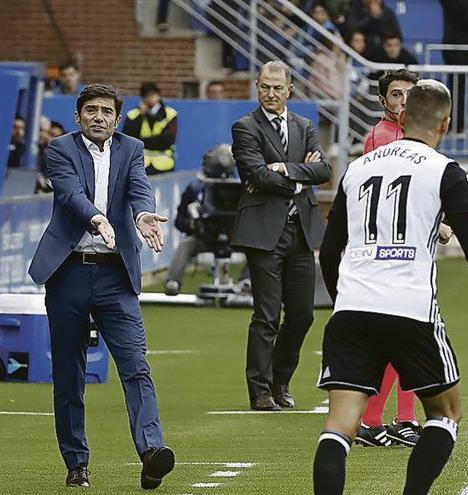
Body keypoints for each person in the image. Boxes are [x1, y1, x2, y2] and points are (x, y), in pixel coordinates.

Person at [314, 79, 468, 495]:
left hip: (352, 308)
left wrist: (344, 300)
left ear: (403, 116)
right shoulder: (446, 171)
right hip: (410, 309)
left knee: (339, 425)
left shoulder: (357, 169)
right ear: (446, 123)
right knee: (446, 413)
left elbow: (329, 252)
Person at [28, 84, 175, 489]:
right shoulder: (60, 149)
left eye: (106, 111)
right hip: (69, 272)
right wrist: (97, 219)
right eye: (90, 110)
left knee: (135, 365)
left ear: (117, 117)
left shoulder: (131, 148)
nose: (98, 116)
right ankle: (76, 462)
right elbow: (71, 194)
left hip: (116, 276)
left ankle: (151, 451)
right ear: (78, 117)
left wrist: (144, 213)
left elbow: (140, 187)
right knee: (69, 374)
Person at [231, 61, 332, 411]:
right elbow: (257, 175)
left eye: (277, 87)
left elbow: (324, 170)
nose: (270, 93)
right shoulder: (245, 127)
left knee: (303, 314)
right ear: (257, 88)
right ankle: (259, 390)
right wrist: (300, 176)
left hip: (301, 231)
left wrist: (288, 170)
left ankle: (280, 379)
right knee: (267, 315)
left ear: (290, 89)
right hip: (263, 233)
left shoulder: (304, 125)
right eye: (264, 87)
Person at [357, 68, 431, 448]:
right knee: (402, 335)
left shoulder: (416, 135)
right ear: (384, 100)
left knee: (411, 333)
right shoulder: (381, 138)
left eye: (409, 95)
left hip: (412, 249)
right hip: (388, 252)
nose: (403, 101)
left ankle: (400, 419)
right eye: (397, 95)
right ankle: (372, 419)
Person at [163, 144, 249, 296]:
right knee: (186, 244)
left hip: (235, 237)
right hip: (204, 236)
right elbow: (179, 220)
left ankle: (245, 282)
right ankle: (173, 281)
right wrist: (192, 224)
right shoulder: (195, 189)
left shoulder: (239, 189)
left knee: (257, 247)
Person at [123, 81, 179, 175]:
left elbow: (168, 140)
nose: (150, 98)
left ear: (158, 95)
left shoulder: (170, 114)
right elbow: (129, 141)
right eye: (147, 95)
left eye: (153, 94)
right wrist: (141, 115)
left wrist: (141, 141)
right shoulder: (133, 115)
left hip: (165, 165)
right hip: (140, 165)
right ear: (143, 98)